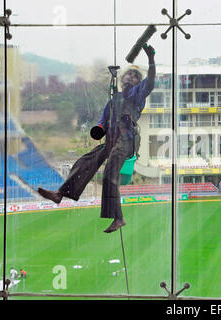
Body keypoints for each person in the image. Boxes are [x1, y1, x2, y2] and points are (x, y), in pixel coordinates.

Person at [37, 44, 156, 233]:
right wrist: (99, 129)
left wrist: (151, 60)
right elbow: (103, 121)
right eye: (129, 75)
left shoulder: (137, 94)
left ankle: (118, 217)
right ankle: (61, 194)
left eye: (135, 77)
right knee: (85, 161)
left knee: (110, 171)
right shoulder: (113, 100)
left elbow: (149, 83)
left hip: (126, 139)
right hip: (111, 139)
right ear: (122, 78)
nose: (131, 77)